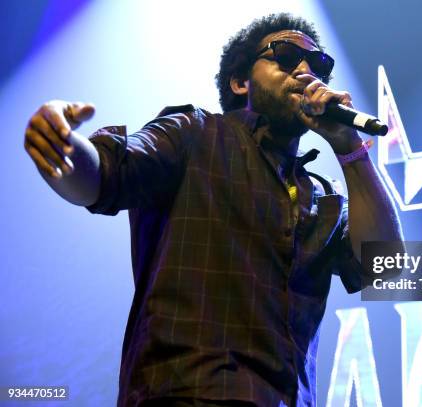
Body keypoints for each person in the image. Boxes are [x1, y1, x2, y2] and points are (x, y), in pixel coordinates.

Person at [23, 13, 401, 407]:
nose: (307, 70)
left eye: (320, 64)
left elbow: (387, 267)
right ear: (241, 83)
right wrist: (63, 148)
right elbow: (105, 175)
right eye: (286, 56)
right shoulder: (195, 134)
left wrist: (350, 148)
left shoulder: (326, 198)